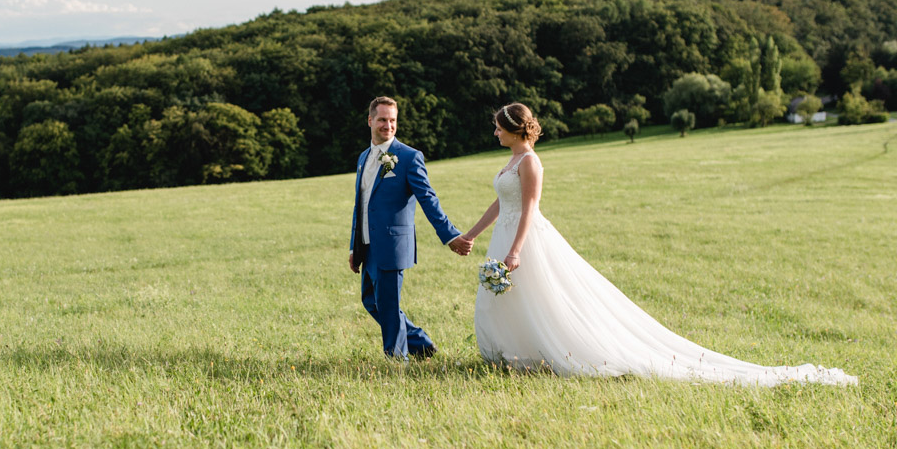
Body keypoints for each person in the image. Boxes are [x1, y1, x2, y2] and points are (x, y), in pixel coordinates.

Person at [460, 102, 858, 385]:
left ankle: (554, 353)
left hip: (526, 239)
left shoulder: (529, 162)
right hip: (503, 235)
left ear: (514, 128)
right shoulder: (511, 161)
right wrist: (474, 234)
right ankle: (516, 356)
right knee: (510, 298)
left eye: (498, 127)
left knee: (543, 298)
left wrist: (516, 249)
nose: (494, 132)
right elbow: (502, 203)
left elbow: (529, 207)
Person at [350, 96, 473, 360]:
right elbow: (360, 205)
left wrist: (450, 234)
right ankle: (421, 343)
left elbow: (428, 198)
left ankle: (397, 360)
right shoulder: (363, 158)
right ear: (370, 121)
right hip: (368, 244)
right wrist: (354, 246)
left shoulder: (408, 157)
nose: (388, 125)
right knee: (371, 301)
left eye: (392, 120)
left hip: (392, 245)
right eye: (382, 119)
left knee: (389, 305)